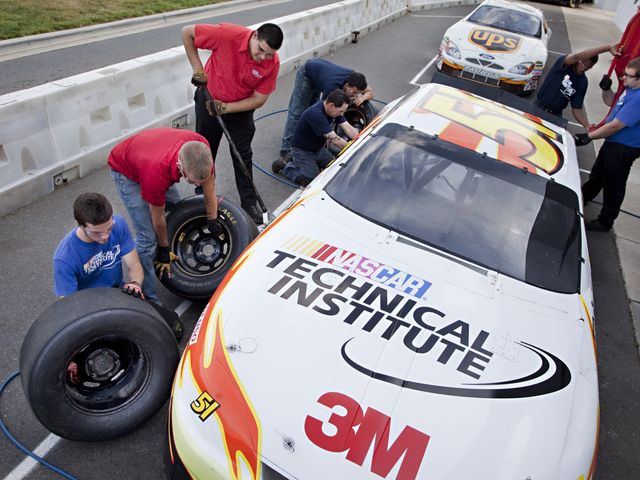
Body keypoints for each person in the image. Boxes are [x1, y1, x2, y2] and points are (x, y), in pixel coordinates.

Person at [181, 22, 284, 225]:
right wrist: (197, 69)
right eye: (261, 50)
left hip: (240, 108)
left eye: (269, 54)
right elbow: (187, 33)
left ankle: (249, 202)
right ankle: (204, 196)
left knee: (242, 154)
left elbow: (259, 99)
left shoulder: (272, 63)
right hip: (208, 98)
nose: (263, 57)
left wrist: (226, 108)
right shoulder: (226, 35)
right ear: (254, 36)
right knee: (205, 150)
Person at [108, 128, 220, 303]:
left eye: (200, 179)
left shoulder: (201, 150)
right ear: (179, 166)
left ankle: (173, 251)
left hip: (149, 154)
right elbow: (157, 217)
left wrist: (212, 219)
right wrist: (163, 250)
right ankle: (149, 299)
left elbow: (209, 188)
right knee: (148, 239)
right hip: (126, 169)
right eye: (192, 180)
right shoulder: (157, 172)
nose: (197, 184)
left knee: (177, 207)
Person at [576, 56, 640, 232]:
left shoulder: (639, 98)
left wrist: (589, 136)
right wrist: (607, 89)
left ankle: (605, 221)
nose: (623, 78)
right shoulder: (631, 89)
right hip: (614, 143)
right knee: (598, 174)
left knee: (614, 184)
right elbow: (612, 103)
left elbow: (615, 125)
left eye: (628, 75)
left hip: (623, 147)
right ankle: (582, 198)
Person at [278, 58, 374, 162]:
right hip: (307, 74)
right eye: (354, 93)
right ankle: (286, 149)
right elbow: (322, 115)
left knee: (311, 112)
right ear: (346, 85)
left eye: (358, 93)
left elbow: (370, 92)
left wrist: (362, 97)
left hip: (320, 75)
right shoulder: (332, 87)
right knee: (297, 113)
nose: (355, 96)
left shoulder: (357, 81)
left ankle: (305, 140)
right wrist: (329, 136)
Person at [53, 192, 144, 299]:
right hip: (88, 303)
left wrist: (135, 284)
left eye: (109, 228)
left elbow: (134, 265)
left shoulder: (119, 224)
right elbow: (69, 303)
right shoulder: (65, 258)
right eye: (97, 233)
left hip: (117, 292)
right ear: (81, 225)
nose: (105, 236)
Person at [274, 89, 357, 186]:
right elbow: (335, 140)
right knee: (311, 181)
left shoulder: (334, 110)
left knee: (334, 170)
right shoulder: (315, 114)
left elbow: (348, 127)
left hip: (318, 149)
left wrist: (360, 140)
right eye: (341, 111)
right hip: (302, 151)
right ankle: (285, 166)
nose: (342, 114)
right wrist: (353, 150)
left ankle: (295, 159)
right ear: (331, 105)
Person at [535, 44, 619, 129]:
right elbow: (577, 56)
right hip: (537, 107)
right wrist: (608, 48)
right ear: (579, 60)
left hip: (555, 115)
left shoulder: (582, 82)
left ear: (591, 66)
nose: (583, 67)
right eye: (582, 62)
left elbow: (576, 108)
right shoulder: (564, 65)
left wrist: (586, 125)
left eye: (587, 66)